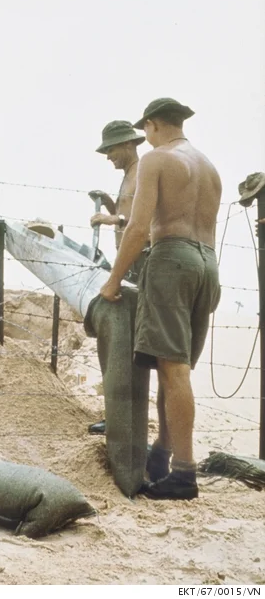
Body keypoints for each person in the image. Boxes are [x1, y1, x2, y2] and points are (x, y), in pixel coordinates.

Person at [100, 98, 222, 500]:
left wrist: (113, 281)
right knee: (178, 367)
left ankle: (183, 474)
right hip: (207, 263)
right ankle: (162, 453)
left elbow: (138, 229)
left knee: (173, 372)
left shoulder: (156, 160)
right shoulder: (208, 167)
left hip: (171, 258)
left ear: (151, 126)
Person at [88, 120, 147, 435]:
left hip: (138, 268)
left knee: (125, 347)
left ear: (127, 144)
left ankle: (124, 423)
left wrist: (113, 217)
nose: (108, 156)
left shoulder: (144, 172)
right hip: (127, 266)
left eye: (110, 149)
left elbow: (144, 220)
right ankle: (120, 418)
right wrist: (111, 206)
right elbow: (128, 214)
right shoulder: (128, 176)